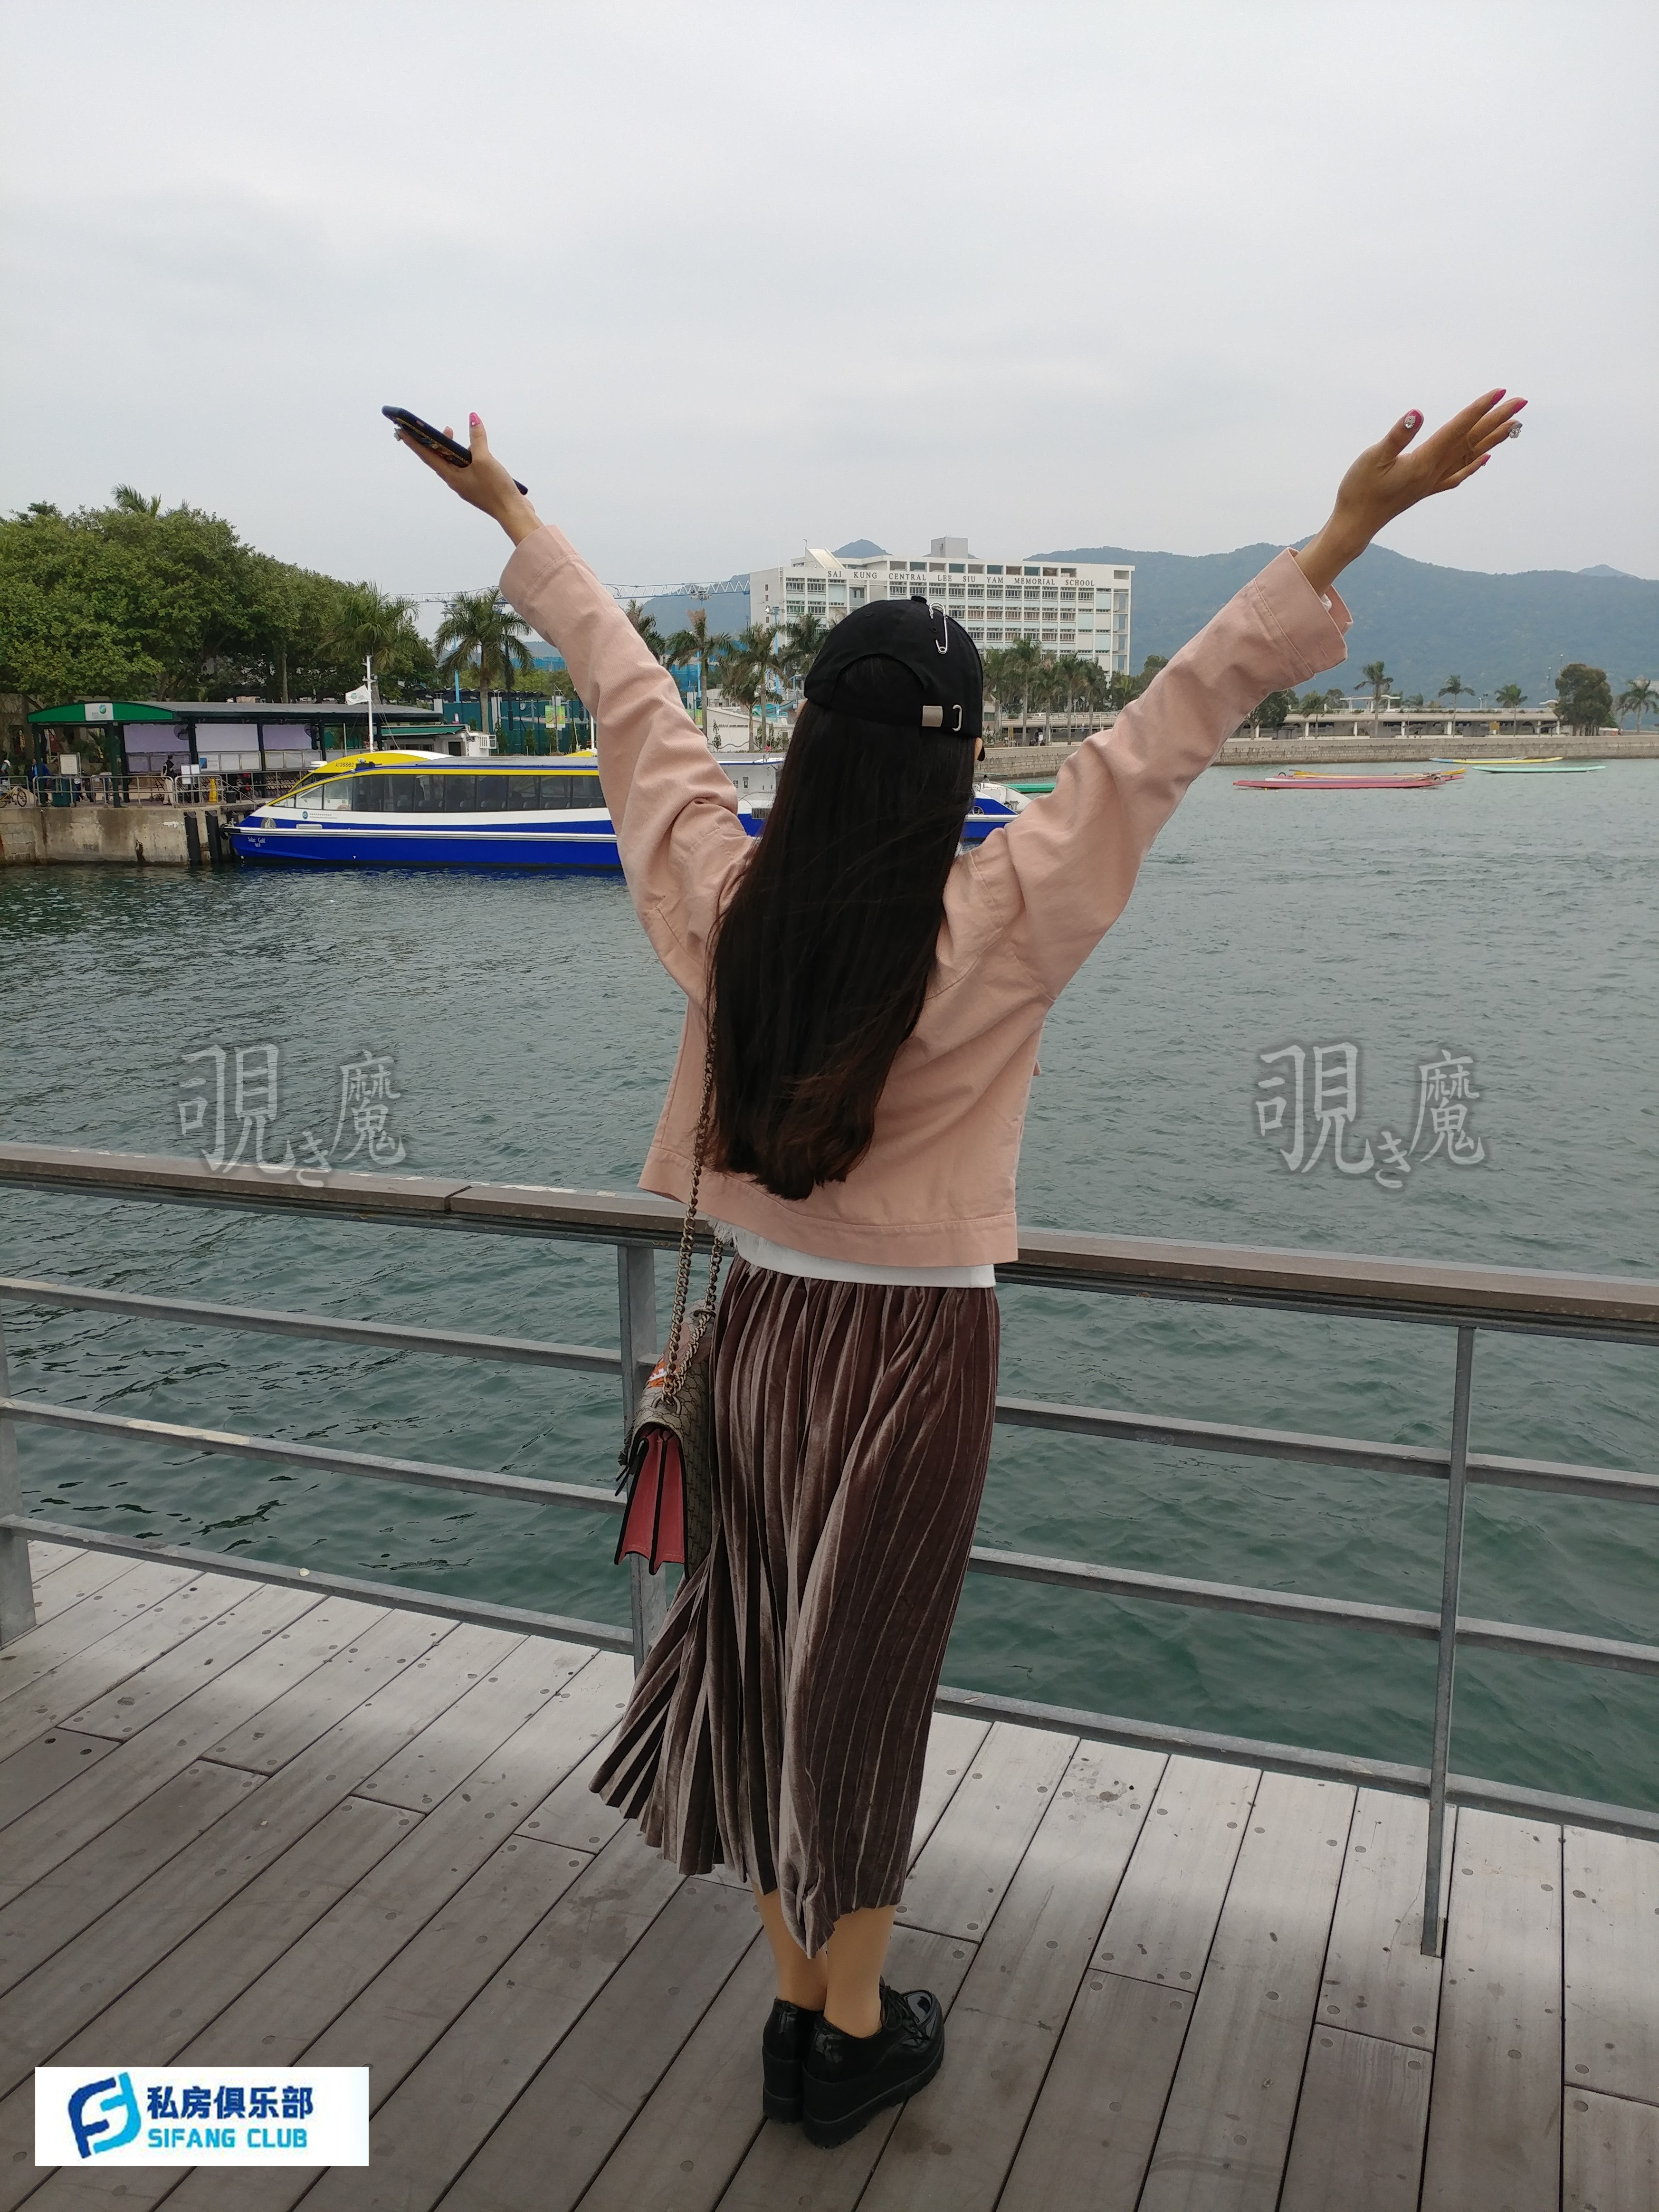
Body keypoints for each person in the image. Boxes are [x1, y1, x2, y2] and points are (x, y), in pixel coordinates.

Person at [398, 387, 1525, 2146]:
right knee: (861, 1693)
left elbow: (637, 708)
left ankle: (797, 2007)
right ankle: (849, 2036)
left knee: (760, 1656)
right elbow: (1161, 732)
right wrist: (1344, 531)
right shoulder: (997, 915)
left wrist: (517, 522)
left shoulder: (729, 904)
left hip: (757, 1337)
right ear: (951, 764)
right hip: (915, 1361)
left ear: (810, 755)